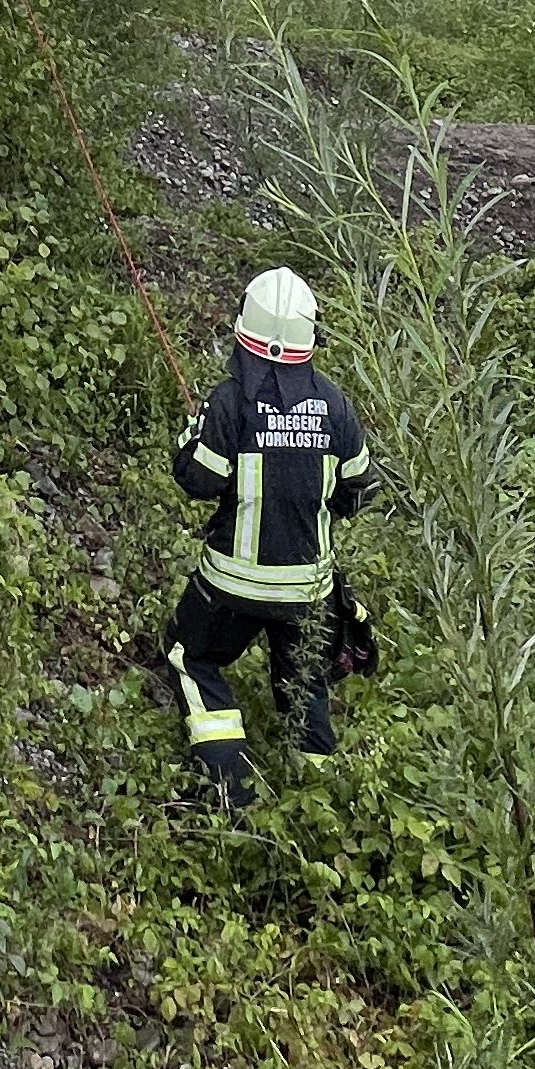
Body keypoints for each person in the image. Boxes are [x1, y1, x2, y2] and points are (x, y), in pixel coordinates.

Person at [162, 267, 377, 812]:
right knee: (304, 685)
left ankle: (231, 788)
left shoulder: (230, 401)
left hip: (231, 586)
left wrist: (193, 437)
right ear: (311, 339)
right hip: (308, 590)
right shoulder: (336, 406)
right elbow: (359, 488)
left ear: (243, 335)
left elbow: (197, 479)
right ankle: (322, 809)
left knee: (190, 654)